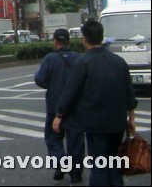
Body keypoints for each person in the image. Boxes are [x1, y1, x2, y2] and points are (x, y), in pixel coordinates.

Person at [53, 19, 137, 186]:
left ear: (84, 39)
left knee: (99, 165)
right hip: (117, 121)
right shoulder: (118, 61)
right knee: (113, 162)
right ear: (101, 37)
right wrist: (132, 119)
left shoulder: (83, 62)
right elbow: (129, 93)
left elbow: (70, 92)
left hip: (95, 122)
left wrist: (59, 115)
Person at [35, 28, 84, 183]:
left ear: (55, 41)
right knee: (75, 139)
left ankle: (60, 162)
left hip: (55, 106)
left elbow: (40, 79)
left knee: (53, 137)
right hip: (75, 106)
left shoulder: (50, 59)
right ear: (69, 41)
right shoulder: (79, 58)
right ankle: (76, 172)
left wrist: (53, 83)